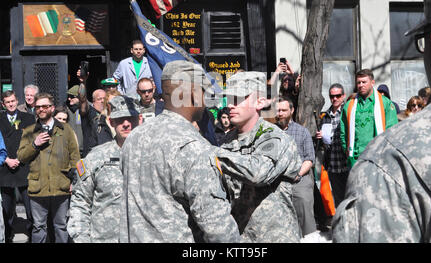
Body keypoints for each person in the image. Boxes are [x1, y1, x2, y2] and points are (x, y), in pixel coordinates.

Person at [332, 0, 431, 242]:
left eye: (363, 82)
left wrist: (375, 160)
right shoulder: (351, 108)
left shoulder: (393, 158)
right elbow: (343, 133)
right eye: (357, 83)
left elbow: (389, 127)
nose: (359, 86)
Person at [120, 60, 240, 243]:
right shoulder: (193, 147)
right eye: (204, 93)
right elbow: (219, 230)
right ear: (192, 94)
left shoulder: (135, 137)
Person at [218, 71, 303, 243]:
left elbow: (258, 173)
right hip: (240, 237)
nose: (231, 105)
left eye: (239, 98)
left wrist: (212, 154)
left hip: (274, 237)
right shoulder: (226, 142)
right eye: (229, 98)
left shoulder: (274, 137)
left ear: (260, 102)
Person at [68, 95, 142, 243]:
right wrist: (82, 239)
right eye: (120, 120)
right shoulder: (96, 157)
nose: (126, 124)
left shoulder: (155, 156)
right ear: (111, 122)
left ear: (140, 119)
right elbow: (80, 202)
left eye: (130, 118)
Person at [17, 93, 80, 243]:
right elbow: (21, 157)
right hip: (38, 188)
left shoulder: (66, 130)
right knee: (38, 227)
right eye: (38, 107)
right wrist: (34, 144)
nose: (41, 109)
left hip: (61, 186)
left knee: (61, 226)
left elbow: (75, 157)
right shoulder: (29, 131)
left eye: (45, 106)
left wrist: (74, 181)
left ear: (52, 108)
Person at [275, 96, 317, 239]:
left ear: (291, 111)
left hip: (299, 179)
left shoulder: (302, 132)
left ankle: (309, 239)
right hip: (276, 181)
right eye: (278, 110)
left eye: (283, 110)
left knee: (304, 205)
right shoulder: (271, 132)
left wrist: (298, 174)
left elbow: (310, 158)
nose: (280, 113)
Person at [340, 69, 398, 168]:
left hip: (378, 158)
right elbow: (343, 132)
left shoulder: (385, 103)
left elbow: (392, 130)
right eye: (359, 82)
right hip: (355, 159)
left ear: (372, 82)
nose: (361, 85)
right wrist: (347, 150)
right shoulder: (349, 105)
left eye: (364, 82)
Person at [0, 91, 35, 242]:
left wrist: (21, 158)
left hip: (24, 167)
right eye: (8, 102)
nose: (11, 104)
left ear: (17, 100)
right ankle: (8, 233)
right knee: (6, 207)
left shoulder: (28, 118)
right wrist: (6, 160)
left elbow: (32, 142)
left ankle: (32, 232)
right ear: (3, 104)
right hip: (5, 168)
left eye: (13, 101)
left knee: (30, 206)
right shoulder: (0, 119)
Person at [316, 83, 349, 209]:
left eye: (338, 96)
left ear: (343, 96)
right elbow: (325, 144)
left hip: (347, 163)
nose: (334, 99)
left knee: (350, 196)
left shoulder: (348, 112)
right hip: (333, 165)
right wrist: (320, 137)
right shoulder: (326, 116)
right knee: (338, 198)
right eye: (332, 96)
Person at [65, 86, 83, 154]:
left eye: (72, 96)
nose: (69, 98)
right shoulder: (65, 109)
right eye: (68, 96)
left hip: (85, 150)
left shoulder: (88, 109)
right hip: (70, 150)